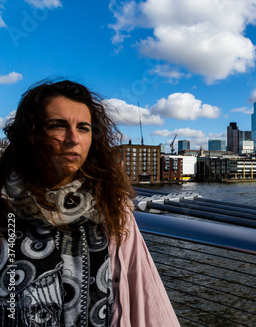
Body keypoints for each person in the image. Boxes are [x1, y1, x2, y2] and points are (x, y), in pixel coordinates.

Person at [0, 80, 180, 326]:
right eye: (57, 126)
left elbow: (143, 292)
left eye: (83, 128)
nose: (73, 138)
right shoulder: (4, 203)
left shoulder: (111, 206)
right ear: (30, 134)